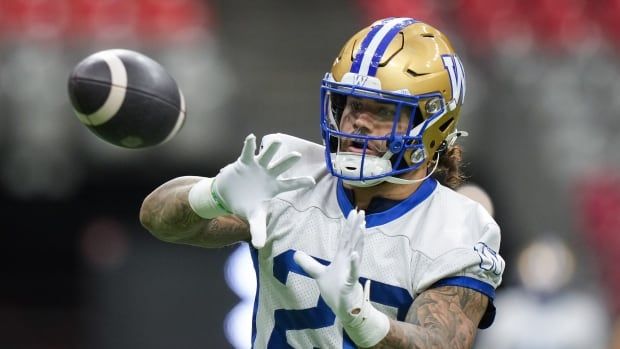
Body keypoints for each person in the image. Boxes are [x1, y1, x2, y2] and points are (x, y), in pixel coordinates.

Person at [140, 17, 505, 348]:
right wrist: (214, 195)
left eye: (382, 110)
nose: (357, 122)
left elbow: (440, 342)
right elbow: (156, 219)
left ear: (433, 123)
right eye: (351, 104)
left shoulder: (459, 227)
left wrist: (363, 319)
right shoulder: (290, 170)